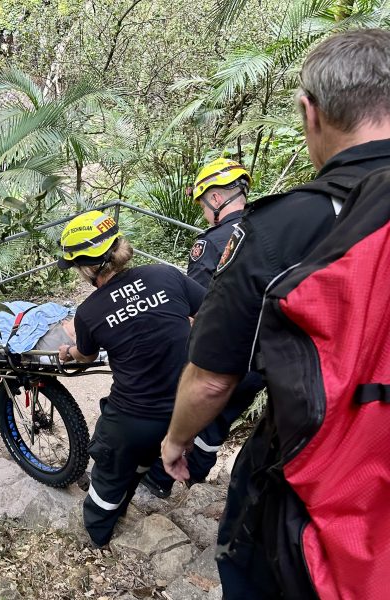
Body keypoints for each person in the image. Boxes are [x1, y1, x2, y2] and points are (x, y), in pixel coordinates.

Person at [160, 29, 390, 598]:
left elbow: (214, 378)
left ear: (310, 113)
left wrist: (176, 439)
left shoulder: (277, 230)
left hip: (325, 492)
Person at [55, 210, 206, 547]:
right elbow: (211, 311)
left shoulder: (89, 312)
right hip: (186, 410)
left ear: (85, 268)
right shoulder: (166, 275)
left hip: (133, 417)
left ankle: (96, 538)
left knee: (107, 479)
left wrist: (69, 351)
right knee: (140, 461)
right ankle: (135, 487)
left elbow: (87, 355)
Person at [141, 159, 264, 498]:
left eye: (202, 204)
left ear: (214, 198)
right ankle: (193, 486)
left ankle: (158, 482)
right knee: (217, 427)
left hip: (223, 355)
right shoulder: (268, 228)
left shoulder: (211, 243)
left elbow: (197, 310)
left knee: (190, 414)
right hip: (264, 357)